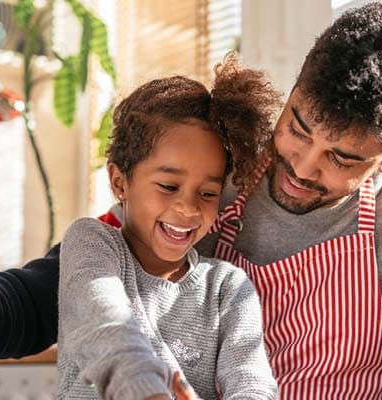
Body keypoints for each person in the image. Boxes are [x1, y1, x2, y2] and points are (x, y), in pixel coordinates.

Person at [0, 3, 382, 398]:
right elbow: (63, 289)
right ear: (295, 87)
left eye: (342, 158)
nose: (300, 166)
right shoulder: (214, 179)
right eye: (297, 126)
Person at [57, 55, 280, 400]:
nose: (188, 208)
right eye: (168, 186)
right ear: (120, 182)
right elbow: (107, 329)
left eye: (207, 193)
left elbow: (253, 383)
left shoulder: (228, 288)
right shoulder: (91, 242)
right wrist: (148, 393)